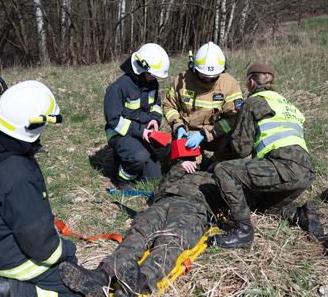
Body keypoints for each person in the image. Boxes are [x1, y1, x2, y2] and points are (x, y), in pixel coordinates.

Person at [0, 81, 79, 296]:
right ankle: (9, 290)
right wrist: (67, 250)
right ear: (34, 126)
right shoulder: (19, 176)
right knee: (77, 288)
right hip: (16, 263)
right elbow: (42, 247)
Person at [58, 167, 227, 296]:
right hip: (163, 203)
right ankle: (101, 275)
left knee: (171, 240)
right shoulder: (185, 172)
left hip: (192, 208)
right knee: (139, 232)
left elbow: (235, 198)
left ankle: (141, 281)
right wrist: (180, 167)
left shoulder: (223, 179)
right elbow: (161, 188)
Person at [212, 63, 323, 249]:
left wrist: (217, 156)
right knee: (268, 208)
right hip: (307, 171)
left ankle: (243, 231)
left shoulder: (254, 102)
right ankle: (301, 215)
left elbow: (241, 149)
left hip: (284, 166)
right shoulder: (287, 104)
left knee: (224, 171)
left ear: (251, 81)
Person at [162, 42, 243, 167]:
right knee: (187, 171)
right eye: (204, 76)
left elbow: (233, 119)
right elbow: (169, 105)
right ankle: (196, 162)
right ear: (194, 67)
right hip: (186, 135)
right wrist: (178, 126)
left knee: (237, 144)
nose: (208, 79)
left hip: (215, 133)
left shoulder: (229, 85)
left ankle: (213, 163)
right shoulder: (181, 81)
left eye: (213, 77)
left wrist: (204, 134)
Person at [104, 43, 170, 190]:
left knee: (154, 177)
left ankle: (129, 160)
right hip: (119, 133)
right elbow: (114, 120)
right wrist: (141, 131)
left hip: (142, 132)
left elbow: (156, 105)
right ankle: (121, 178)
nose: (154, 79)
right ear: (140, 67)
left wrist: (154, 119)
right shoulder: (118, 88)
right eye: (152, 75)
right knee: (138, 156)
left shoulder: (151, 83)